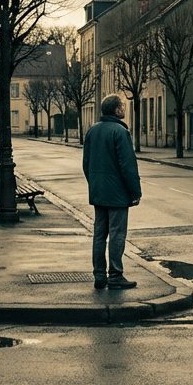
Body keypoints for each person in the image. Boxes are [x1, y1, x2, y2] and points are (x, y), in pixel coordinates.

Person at [82, 93, 142, 290]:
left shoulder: (92, 131)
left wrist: (95, 184)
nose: (124, 109)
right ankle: (115, 275)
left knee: (99, 234)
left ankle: (99, 275)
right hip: (117, 194)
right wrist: (135, 192)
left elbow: (86, 164)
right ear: (117, 110)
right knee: (117, 234)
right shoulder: (120, 132)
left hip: (99, 192)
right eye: (122, 107)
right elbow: (128, 166)